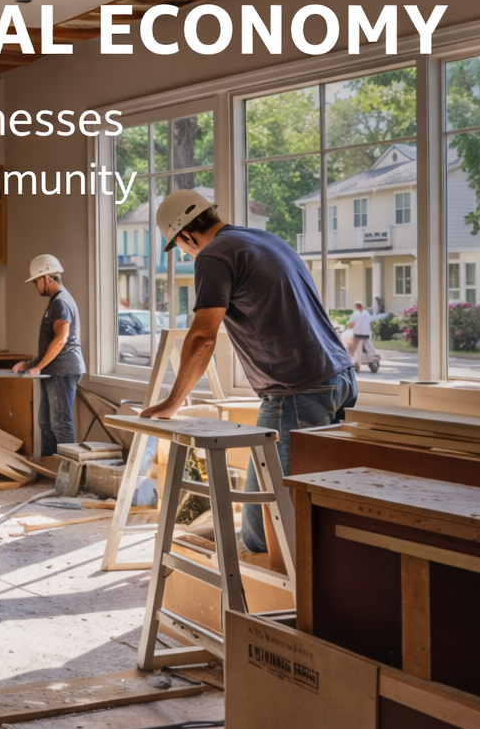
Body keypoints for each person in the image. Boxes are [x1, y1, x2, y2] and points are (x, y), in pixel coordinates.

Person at [138, 190, 356, 553]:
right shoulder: (266, 239)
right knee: (320, 502)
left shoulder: (212, 255)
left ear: (187, 236)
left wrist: (170, 404)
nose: (187, 253)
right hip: (340, 377)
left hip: (296, 392)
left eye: (181, 247)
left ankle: (283, 602)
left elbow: (203, 337)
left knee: (266, 530)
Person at [13, 254, 83, 457]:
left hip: (62, 371)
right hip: (53, 370)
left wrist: (38, 367)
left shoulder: (61, 303)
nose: (35, 285)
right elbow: (50, 345)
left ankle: (69, 473)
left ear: (47, 277)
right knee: (45, 421)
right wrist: (30, 363)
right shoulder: (55, 302)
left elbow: (61, 340)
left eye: (36, 281)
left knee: (60, 423)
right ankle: (49, 468)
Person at [346, 301, 380, 373]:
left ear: (357, 307)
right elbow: (369, 323)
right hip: (365, 334)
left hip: (357, 334)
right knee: (369, 349)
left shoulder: (356, 313)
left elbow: (352, 323)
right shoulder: (366, 313)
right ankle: (374, 359)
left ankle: (352, 362)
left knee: (352, 349)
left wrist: (348, 326)